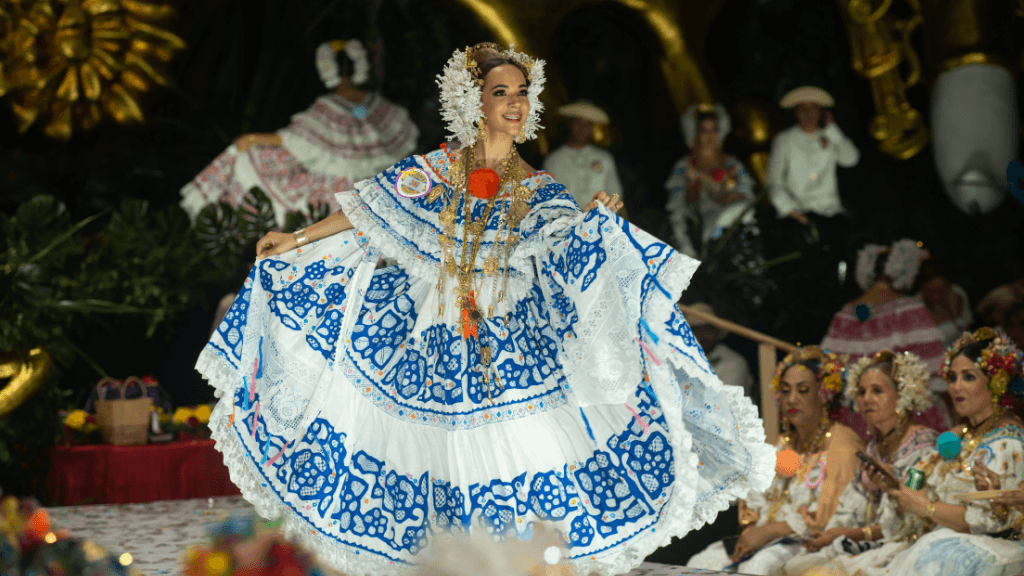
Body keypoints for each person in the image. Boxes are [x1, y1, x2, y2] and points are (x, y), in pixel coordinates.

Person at [195, 43, 774, 575]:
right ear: (474, 102)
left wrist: (596, 220)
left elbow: (567, 246)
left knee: (524, 453)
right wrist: (296, 240)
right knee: (437, 459)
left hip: (511, 342)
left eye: (522, 93)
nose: (516, 104)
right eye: (502, 93)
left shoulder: (538, 185)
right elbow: (369, 211)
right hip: (435, 332)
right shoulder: (442, 166)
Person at [180, 39, 419, 227]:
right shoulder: (382, 108)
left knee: (248, 159)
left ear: (328, 70)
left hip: (335, 198)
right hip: (377, 195)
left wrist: (250, 140)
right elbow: (405, 142)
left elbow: (294, 141)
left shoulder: (330, 106)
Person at [687, 346, 863, 575]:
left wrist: (770, 532)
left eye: (803, 390)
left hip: (809, 542)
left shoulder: (842, 446)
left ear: (824, 394)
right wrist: (751, 531)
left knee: (759, 567)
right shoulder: (782, 443)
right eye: (786, 390)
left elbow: (831, 515)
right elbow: (753, 499)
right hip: (763, 541)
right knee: (700, 562)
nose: (792, 399)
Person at [864, 328, 1024, 576]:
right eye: (952, 377)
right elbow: (922, 475)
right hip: (941, 542)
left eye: (968, 377)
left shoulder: (1007, 441)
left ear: (995, 382)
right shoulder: (960, 436)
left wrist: (926, 507)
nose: (956, 387)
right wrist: (896, 485)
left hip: (987, 549)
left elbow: (992, 521)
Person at [781, 351, 938, 576]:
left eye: (877, 391)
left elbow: (916, 517)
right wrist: (831, 533)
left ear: (902, 394)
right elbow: (851, 503)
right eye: (862, 392)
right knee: (793, 567)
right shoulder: (874, 447)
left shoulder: (922, 445)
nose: (866, 399)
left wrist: (853, 533)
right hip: (869, 541)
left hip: (905, 545)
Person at [821, 239, 951, 436]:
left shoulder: (844, 313)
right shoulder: (909, 309)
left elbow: (829, 376)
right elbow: (936, 374)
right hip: (903, 420)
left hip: (853, 422)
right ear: (906, 270)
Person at [766, 86, 859, 275]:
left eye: (814, 108)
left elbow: (851, 159)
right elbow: (773, 181)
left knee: (843, 254)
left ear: (821, 112)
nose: (809, 114)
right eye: (803, 109)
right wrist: (792, 211)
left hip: (830, 211)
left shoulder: (829, 137)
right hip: (798, 213)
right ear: (796, 112)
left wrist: (832, 129)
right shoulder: (784, 140)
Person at [665, 103, 756, 258]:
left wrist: (736, 195)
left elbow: (748, 193)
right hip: (709, 233)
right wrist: (686, 247)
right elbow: (679, 210)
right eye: (703, 130)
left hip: (743, 226)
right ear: (694, 133)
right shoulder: (684, 167)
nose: (710, 136)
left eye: (714, 129)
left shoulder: (732, 162)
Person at [542, 101, 623, 210]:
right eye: (578, 123)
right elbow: (550, 198)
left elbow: (615, 192)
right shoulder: (553, 160)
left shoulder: (604, 158)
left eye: (587, 124)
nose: (582, 128)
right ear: (570, 124)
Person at [682, 302, 755, 399]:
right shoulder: (679, 358)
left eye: (708, 328)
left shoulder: (734, 362)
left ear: (716, 331)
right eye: (695, 329)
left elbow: (725, 405)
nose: (703, 334)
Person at [915, 260, 973, 348]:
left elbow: (963, 329)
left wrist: (959, 326)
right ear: (922, 289)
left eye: (941, 290)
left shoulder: (957, 295)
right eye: (932, 292)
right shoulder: (917, 306)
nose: (936, 296)